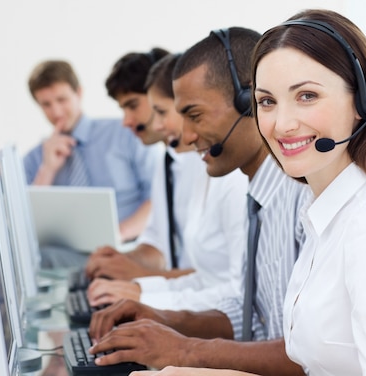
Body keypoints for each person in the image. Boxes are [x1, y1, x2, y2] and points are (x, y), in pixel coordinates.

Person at [131, 8, 366, 376]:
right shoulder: (326, 218)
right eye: (267, 102)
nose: (281, 124)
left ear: (365, 103)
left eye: (307, 96)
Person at [86, 27, 309, 376]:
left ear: (247, 102)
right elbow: (250, 312)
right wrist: (159, 316)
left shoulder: (299, 198)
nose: (186, 137)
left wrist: (186, 350)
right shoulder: (260, 197)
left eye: (195, 115)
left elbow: (308, 354)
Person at [86, 53, 249, 312]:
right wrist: (130, 275)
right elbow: (164, 248)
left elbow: (232, 288)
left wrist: (140, 286)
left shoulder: (226, 176)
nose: (126, 121)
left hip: (204, 311)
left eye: (133, 106)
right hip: (192, 303)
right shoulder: (172, 162)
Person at [24, 60, 157, 266]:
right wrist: (48, 169)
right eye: (46, 104)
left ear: (79, 93)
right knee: (33, 261)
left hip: (128, 247)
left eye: (62, 99)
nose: (56, 112)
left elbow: (157, 198)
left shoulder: (126, 134)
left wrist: (117, 234)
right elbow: (27, 223)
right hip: (68, 259)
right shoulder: (35, 158)